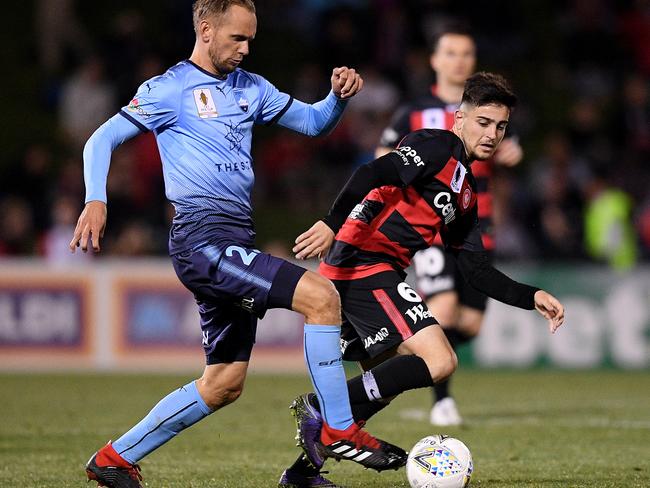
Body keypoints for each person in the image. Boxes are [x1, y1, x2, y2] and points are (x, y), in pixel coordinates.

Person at [70, 1, 404, 487]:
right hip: (201, 237)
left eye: (251, 39)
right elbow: (100, 140)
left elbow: (313, 123)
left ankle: (113, 459)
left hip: (234, 236)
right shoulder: (169, 88)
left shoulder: (251, 87)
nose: (246, 49)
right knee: (321, 297)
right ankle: (337, 427)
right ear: (206, 30)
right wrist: (95, 199)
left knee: (224, 383)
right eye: (237, 39)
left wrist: (337, 98)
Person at [279, 72, 565, 487]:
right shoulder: (436, 145)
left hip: (370, 269)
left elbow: (476, 271)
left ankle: (303, 473)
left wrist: (531, 295)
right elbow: (372, 173)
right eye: (483, 122)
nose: (492, 134)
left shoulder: (464, 190)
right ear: (460, 119)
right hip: (362, 263)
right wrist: (330, 222)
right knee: (440, 360)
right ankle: (318, 410)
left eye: (501, 127)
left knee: (387, 382)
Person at [375, 26, 524, 426]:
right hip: (432, 229)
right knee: (442, 307)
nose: (459, 60)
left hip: (477, 226)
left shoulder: (490, 111)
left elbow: (511, 150)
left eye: (467, 54)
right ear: (436, 61)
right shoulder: (413, 111)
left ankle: (389, 351)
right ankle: (441, 399)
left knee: (469, 324)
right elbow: (383, 154)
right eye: (451, 53)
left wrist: (512, 153)